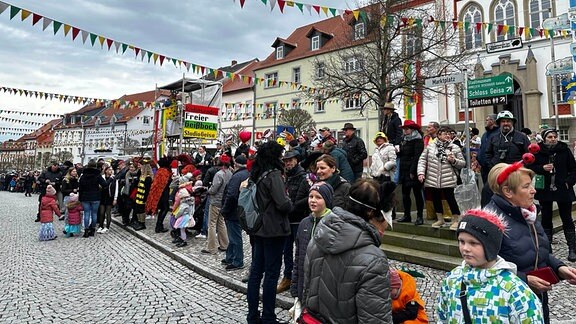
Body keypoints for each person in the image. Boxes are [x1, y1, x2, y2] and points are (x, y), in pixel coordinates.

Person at [486, 162, 576, 323]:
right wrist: (524, 279)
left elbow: (539, 250)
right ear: (507, 191)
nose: (534, 190)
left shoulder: (527, 213)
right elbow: (485, 270)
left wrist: (559, 267)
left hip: (537, 299)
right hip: (508, 305)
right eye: (527, 186)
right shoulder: (489, 222)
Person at [302, 179, 394, 323]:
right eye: (386, 218)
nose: (387, 224)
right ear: (371, 213)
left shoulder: (319, 235)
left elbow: (308, 289)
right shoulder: (374, 261)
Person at [437, 209, 544, 322]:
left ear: (491, 246)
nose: (465, 248)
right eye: (461, 241)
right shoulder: (452, 280)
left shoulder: (515, 291)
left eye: (473, 243)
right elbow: (442, 317)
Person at [246, 141, 293, 324]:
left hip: (258, 228)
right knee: (272, 274)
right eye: (281, 154)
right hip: (274, 230)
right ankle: (268, 317)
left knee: (256, 272)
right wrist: (290, 203)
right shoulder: (273, 175)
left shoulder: (256, 173)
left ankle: (252, 315)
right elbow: (282, 203)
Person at [528, 129, 576, 261]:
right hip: (545, 189)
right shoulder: (538, 151)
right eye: (550, 137)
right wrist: (541, 168)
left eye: (555, 136)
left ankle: (572, 248)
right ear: (544, 138)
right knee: (546, 218)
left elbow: (574, 169)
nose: (553, 139)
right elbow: (531, 167)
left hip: (562, 188)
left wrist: (569, 182)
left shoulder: (564, 149)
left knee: (566, 218)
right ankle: (546, 248)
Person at [289, 181, 334, 322]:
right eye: (311, 196)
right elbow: (298, 257)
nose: (313, 200)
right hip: (304, 287)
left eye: (318, 197)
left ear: (327, 200)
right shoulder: (304, 223)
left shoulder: (333, 224)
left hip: (324, 291)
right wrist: (295, 287)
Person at [417, 127, 465, 229]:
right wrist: (421, 173)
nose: (447, 135)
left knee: (450, 198)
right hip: (433, 177)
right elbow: (422, 160)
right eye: (444, 134)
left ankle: (456, 220)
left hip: (448, 178)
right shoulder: (430, 147)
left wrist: (454, 160)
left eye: (449, 134)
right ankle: (440, 220)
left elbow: (462, 163)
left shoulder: (454, 147)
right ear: (439, 135)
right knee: (436, 199)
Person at [482, 110, 530, 206]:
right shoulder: (493, 137)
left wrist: (521, 169)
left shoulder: (522, 137)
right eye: (503, 121)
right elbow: (487, 153)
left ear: (512, 122)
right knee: (486, 192)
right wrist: (492, 166)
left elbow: (528, 156)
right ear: (499, 123)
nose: (506, 124)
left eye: (508, 121)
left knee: (517, 196)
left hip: (516, 174)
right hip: (498, 174)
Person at [277, 150, 307, 293]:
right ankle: (287, 277)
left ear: (297, 160)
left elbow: (304, 199)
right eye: (286, 161)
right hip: (286, 219)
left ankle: (299, 279)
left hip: (298, 219)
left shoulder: (303, 176)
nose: (288, 163)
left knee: (300, 251)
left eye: (291, 160)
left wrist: (290, 208)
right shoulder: (286, 175)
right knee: (286, 251)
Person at [220, 155, 250, 270]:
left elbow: (231, 195)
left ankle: (237, 260)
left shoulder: (237, 176)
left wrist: (225, 209)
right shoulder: (247, 174)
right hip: (243, 210)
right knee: (233, 235)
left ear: (236, 164)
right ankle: (230, 256)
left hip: (234, 211)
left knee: (235, 236)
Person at [202, 154, 232, 255]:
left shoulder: (219, 174)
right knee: (221, 223)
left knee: (212, 224)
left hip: (215, 201)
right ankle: (225, 244)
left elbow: (214, 189)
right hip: (224, 201)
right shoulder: (230, 173)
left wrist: (208, 190)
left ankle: (211, 247)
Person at [397, 120, 425, 225]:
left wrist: (413, 171)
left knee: (417, 194)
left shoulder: (418, 140)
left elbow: (417, 157)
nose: (405, 131)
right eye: (404, 129)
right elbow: (403, 155)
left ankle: (420, 216)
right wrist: (398, 153)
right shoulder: (404, 140)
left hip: (414, 170)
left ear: (413, 130)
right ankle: (407, 215)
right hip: (404, 170)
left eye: (407, 129)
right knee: (405, 194)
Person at [78, 160, 107, 238]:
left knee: (86, 213)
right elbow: (104, 184)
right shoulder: (97, 175)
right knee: (94, 214)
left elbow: (80, 187)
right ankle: (93, 230)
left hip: (85, 196)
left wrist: (80, 198)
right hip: (95, 196)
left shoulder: (83, 175)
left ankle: (86, 230)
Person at [145, 156, 173, 234]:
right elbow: (164, 183)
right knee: (165, 208)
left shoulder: (161, 170)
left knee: (164, 209)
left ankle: (159, 225)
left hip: (162, 192)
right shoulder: (164, 171)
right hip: (163, 193)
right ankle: (159, 226)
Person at [97, 166, 116, 234]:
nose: (110, 171)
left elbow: (116, 188)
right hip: (102, 196)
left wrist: (115, 198)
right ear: (106, 171)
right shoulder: (102, 177)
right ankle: (101, 225)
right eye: (109, 170)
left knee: (108, 212)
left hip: (109, 196)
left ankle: (107, 226)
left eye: (111, 170)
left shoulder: (114, 178)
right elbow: (101, 186)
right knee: (101, 212)